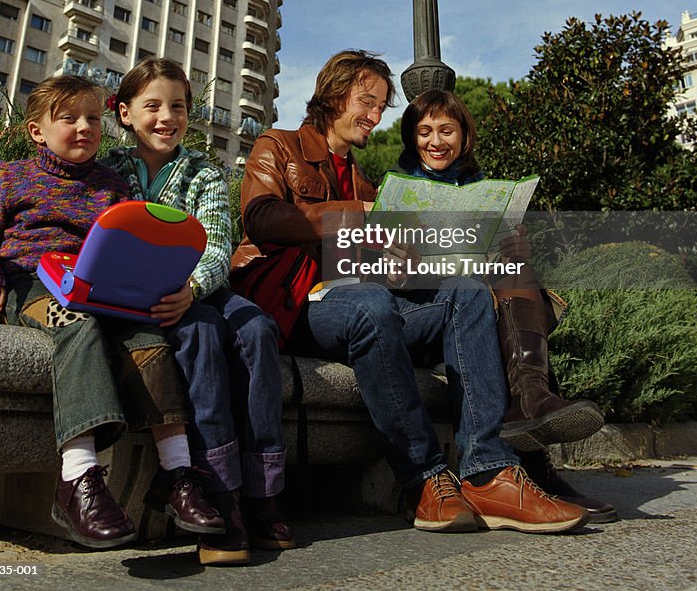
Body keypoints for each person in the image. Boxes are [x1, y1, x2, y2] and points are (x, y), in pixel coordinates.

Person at [231, 50, 588, 535]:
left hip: (352, 298)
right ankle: (423, 478)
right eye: (367, 102)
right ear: (335, 96)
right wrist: (360, 213)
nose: (376, 116)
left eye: (381, 107)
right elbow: (262, 220)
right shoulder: (281, 145)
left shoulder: (363, 176)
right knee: (372, 307)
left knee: (467, 293)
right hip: (292, 304)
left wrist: (397, 264)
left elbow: (369, 268)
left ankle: (487, 470)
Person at [0, 75, 223, 549]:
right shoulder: (10, 176)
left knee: (149, 341)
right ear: (37, 130)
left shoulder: (113, 186)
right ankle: (78, 479)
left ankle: (179, 473)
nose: (84, 127)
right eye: (69, 118)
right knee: (77, 328)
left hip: (101, 287)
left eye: (93, 118)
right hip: (35, 284)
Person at [103, 57, 293, 565]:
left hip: (196, 287)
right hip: (143, 297)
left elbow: (216, 242)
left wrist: (192, 284)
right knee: (203, 334)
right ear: (124, 114)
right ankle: (219, 492)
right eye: (152, 106)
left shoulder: (204, 172)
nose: (167, 117)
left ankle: (263, 492)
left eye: (179, 106)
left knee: (256, 328)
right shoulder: (110, 172)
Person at [397, 89, 617, 523]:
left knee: (517, 272)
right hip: (428, 315)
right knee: (487, 300)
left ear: (464, 135)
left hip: (483, 310)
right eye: (424, 132)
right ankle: (538, 456)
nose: (435, 141)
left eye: (446, 130)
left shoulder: (484, 192)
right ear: (411, 138)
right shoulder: (396, 192)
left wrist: (513, 248)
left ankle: (532, 400)